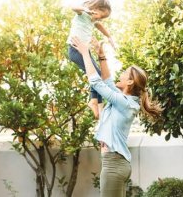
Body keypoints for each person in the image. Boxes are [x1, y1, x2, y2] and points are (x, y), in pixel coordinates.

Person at [70, 36, 163, 197]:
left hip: (113, 164)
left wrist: (85, 54)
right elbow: (107, 81)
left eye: (125, 73)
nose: (121, 74)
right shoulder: (125, 101)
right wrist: (101, 55)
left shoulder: (125, 103)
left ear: (130, 83)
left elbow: (97, 83)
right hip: (115, 163)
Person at [67, 0, 116, 119]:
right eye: (100, 15)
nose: (99, 19)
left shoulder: (93, 21)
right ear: (94, 9)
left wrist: (109, 37)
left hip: (84, 51)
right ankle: (93, 101)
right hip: (75, 50)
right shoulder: (82, 14)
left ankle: (97, 104)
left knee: (97, 75)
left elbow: (99, 26)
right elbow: (73, 7)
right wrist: (85, 9)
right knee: (96, 75)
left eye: (102, 18)